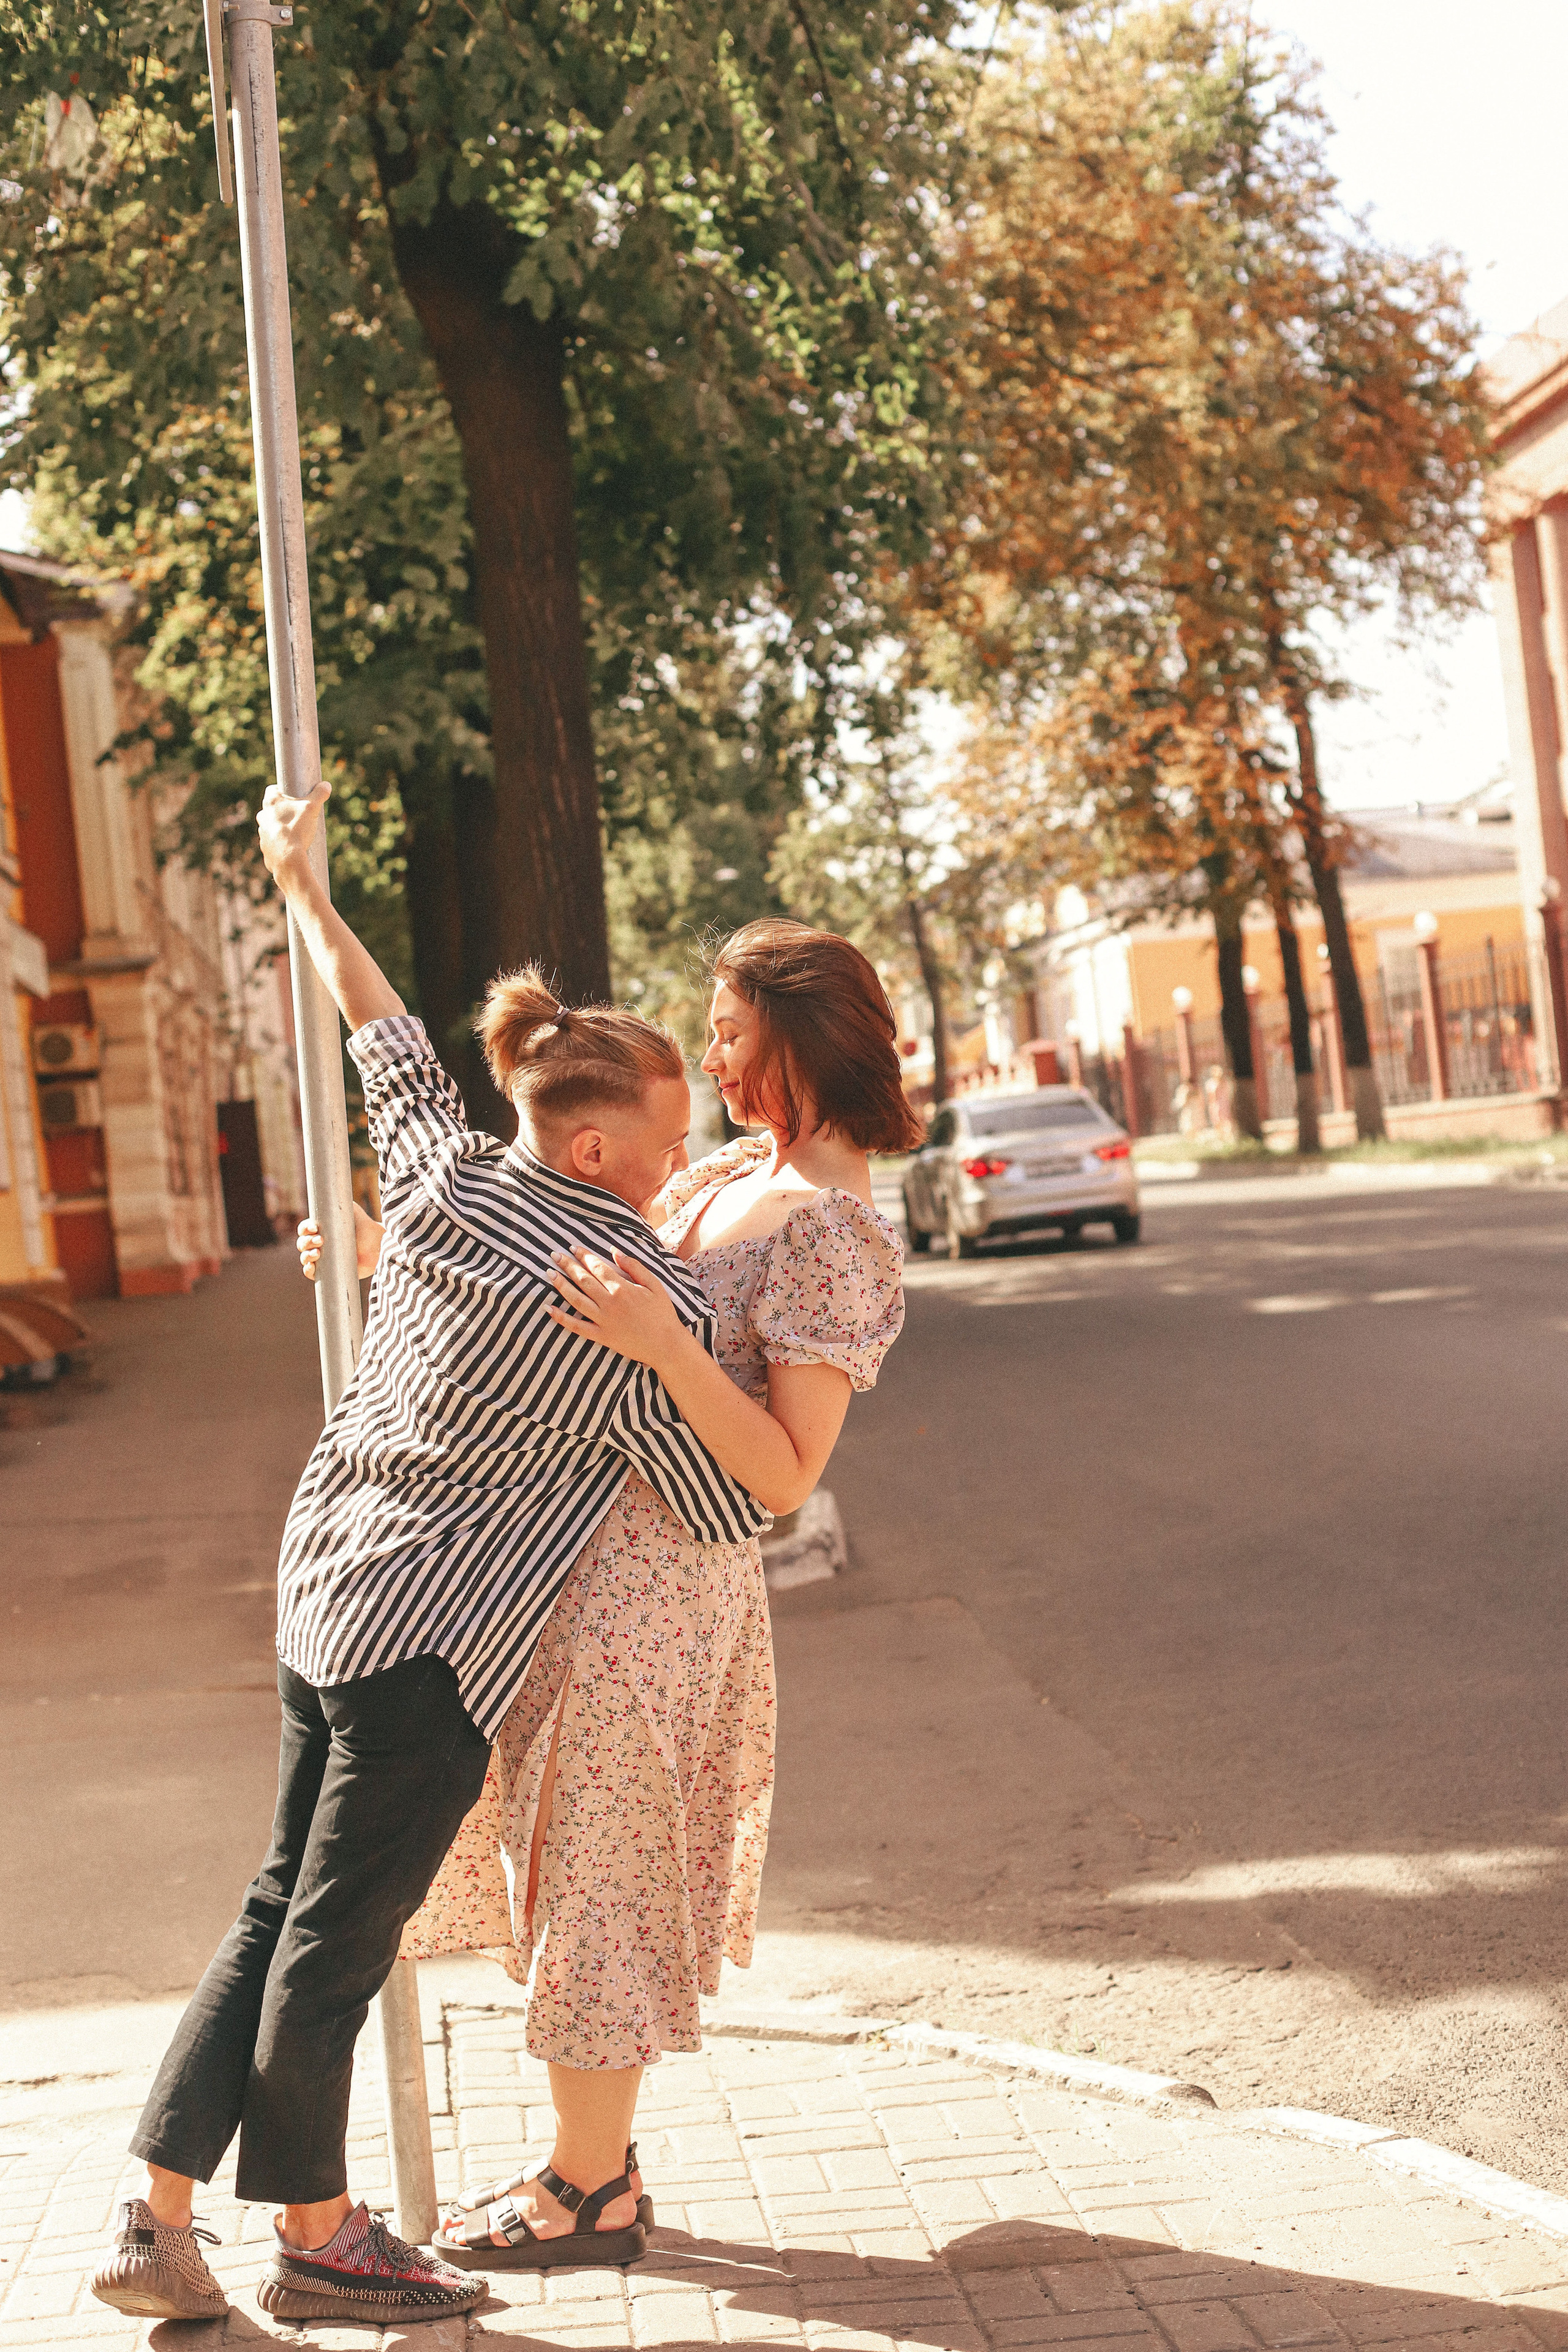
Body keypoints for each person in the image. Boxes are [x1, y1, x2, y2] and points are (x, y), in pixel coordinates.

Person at [91, 781, 772, 2329]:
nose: (684, 1162)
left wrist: (299, 883)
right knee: (336, 1940)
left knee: (277, 1900)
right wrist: (678, 1355)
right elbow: (732, 1501)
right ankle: (322, 2239)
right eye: (669, 1143)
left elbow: (375, 1025)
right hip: (429, 1655)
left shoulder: (442, 1174)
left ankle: (154, 2214)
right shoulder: (624, 1285)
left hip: (324, 1591)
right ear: (595, 1143)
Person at [326, 919, 921, 2272]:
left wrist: (663, 1344)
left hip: (659, 1593)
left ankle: (584, 2193)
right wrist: (385, 1251)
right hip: (555, 1568)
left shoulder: (834, 1230)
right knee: (564, 1861)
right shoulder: (720, 1169)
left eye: (726, 1032)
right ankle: (594, 2168)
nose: (708, 1055)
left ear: (796, 1037)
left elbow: (781, 1471)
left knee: (603, 1872)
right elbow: (548, 1285)